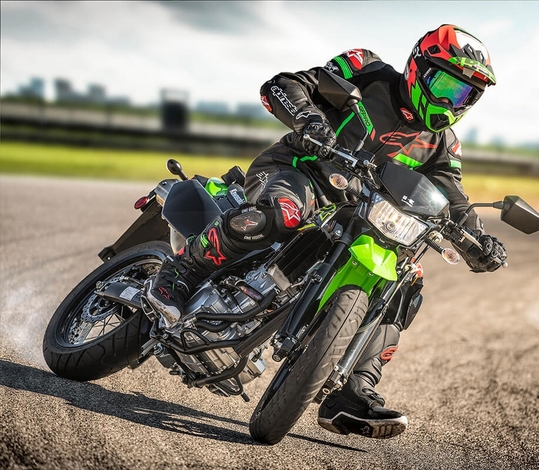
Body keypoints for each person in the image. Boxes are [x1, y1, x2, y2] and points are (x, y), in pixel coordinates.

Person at [146, 24, 507, 439]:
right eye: (445, 85)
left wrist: (480, 239)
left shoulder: (443, 143)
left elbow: (453, 196)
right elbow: (284, 85)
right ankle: (179, 273)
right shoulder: (367, 70)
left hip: (358, 213)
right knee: (283, 214)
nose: (450, 101)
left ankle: (353, 389)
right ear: (419, 69)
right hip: (297, 172)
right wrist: (309, 119)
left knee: (406, 279)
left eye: (463, 94)